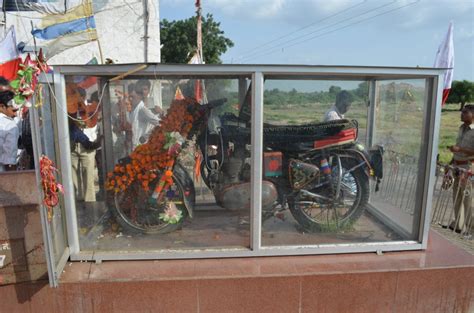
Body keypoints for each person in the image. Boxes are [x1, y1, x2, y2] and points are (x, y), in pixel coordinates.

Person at [447, 104, 474, 235]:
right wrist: (450, 164)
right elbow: (457, 147)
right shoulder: (461, 128)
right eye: (462, 112)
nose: (461, 114)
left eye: (465, 112)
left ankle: (470, 228)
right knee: (456, 196)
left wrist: (460, 150)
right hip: (457, 166)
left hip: (468, 167)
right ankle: (458, 224)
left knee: (468, 198)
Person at [128, 84, 160, 149]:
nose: (130, 99)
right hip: (133, 146)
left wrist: (145, 136)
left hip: (141, 147)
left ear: (139, 96)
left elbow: (160, 123)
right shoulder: (133, 109)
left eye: (132, 97)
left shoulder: (142, 110)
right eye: (129, 97)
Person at [0, 76, 20, 172]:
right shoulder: (9, 125)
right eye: (14, 110)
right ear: (2, 106)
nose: (15, 114)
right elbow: (9, 161)